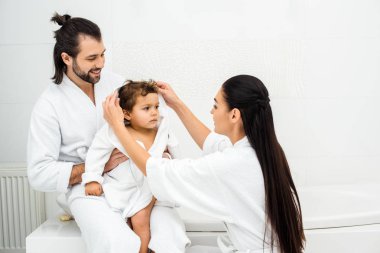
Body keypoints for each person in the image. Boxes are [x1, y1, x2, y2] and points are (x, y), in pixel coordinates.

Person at [27, 13, 189, 253]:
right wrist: (97, 166)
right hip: (88, 188)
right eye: (92, 58)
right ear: (66, 58)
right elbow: (38, 174)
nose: (101, 63)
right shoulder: (49, 105)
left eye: (103, 54)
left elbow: (151, 122)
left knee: (168, 238)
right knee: (119, 243)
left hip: (138, 182)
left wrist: (159, 151)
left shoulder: (117, 85)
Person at [103, 75, 306, 253]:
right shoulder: (263, 150)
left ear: (234, 115)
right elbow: (211, 142)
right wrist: (176, 104)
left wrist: (118, 127)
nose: (211, 111)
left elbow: (158, 171)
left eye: (216, 105)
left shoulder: (233, 164)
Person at [82, 80, 184, 253]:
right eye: (146, 108)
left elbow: (176, 152)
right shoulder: (114, 132)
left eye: (156, 107)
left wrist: (171, 162)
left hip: (151, 188)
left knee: (139, 218)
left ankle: (143, 250)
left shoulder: (161, 130)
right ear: (127, 114)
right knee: (122, 224)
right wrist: (92, 179)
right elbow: (96, 154)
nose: (154, 113)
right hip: (124, 187)